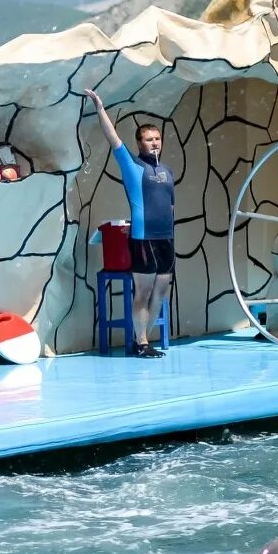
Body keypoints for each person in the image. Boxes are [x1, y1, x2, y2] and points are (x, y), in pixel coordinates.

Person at [84, 87, 175, 357]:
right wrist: (100, 108)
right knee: (143, 292)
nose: (155, 143)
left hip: (166, 239)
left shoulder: (167, 171)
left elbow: (170, 205)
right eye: (149, 139)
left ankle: (147, 338)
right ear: (139, 144)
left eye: (158, 138)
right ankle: (141, 342)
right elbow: (113, 140)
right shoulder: (133, 165)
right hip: (143, 237)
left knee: (161, 291)